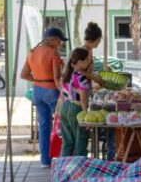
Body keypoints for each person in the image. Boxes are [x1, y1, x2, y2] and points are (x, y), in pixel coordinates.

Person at [20, 28, 66, 168]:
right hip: (51, 90)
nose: (60, 44)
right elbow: (57, 78)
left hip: (37, 91)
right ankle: (62, 158)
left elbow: (24, 74)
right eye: (59, 41)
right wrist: (63, 93)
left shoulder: (33, 52)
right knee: (61, 124)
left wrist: (39, 79)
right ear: (52, 39)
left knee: (44, 126)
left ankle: (45, 161)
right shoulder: (53, 53)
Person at [58, 47, 92, 157]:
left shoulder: (66, 74)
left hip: (64, 107)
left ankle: (63, 169)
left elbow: (63, 94)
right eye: (87, 60)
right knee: (80, 140)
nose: (89, 62)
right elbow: (83, 98)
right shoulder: (81, 77)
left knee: (67, 142)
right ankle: (78, 170)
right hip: (76, 108)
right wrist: (85, 113)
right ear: (79, 62)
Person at [80, 22, 104, 87]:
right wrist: (95, 78)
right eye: (99, 40)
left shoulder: (89, 50)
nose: (99, 42)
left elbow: (88, 72)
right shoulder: (83, 51)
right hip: (79, 89)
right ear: (97, 38)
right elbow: (78, 71)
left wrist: (95, 77)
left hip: (85, 86)